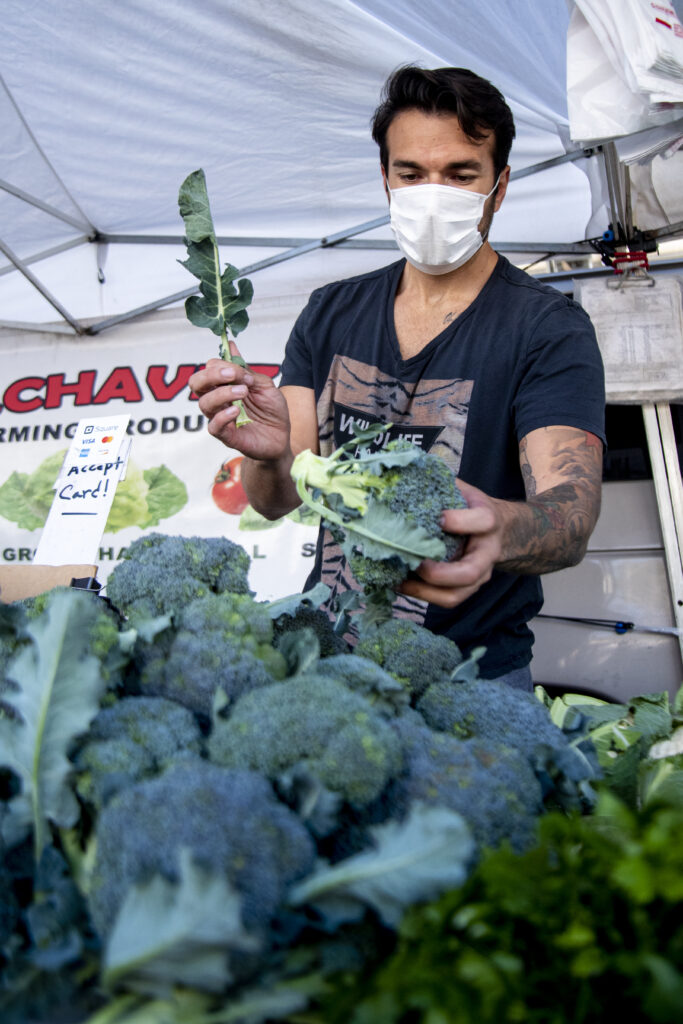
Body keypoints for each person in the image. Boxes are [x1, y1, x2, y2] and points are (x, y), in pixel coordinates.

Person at [189, 65, 605, 691]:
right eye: (411, 173)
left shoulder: (548, 328)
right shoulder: (330, 313)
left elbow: (569, 513)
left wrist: (499, 527)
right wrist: (272, 457)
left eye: (462, 174)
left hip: (474, 675)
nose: (432, 193)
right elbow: (275, 498)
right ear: (385, 180)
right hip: (330, 659)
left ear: (500, 184)